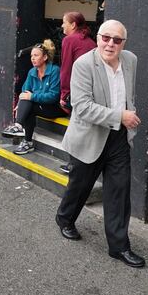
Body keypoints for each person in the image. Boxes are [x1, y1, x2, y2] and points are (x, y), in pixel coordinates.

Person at [55, 20, 145, 268]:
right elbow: (82, 107)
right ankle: (64, 218)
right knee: (80, 186)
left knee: (119, 191)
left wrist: (128, 114)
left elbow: (129, 95)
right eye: (106, 38)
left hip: (119, 138)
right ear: (97, 38)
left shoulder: (131, 60)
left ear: (123, 43)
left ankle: (119, 247)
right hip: (89, 136)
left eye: (117, 40)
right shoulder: (83, 64)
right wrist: (120, 116)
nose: (110, 44)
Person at [2, 39, 66, 155]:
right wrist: (21, 105)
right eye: (31, 55)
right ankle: (22, 133)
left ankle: (24, 136)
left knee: (29, 101)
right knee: (27, 102)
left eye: (36, 55)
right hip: (40, 105)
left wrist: (31, 97)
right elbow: (24, 92)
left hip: (55, 108)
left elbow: (53, 96)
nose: (32, 58)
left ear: (45, 57)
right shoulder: (32, 72)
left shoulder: (55, 71)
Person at [58, 11, 96, 174]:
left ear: (73, 25)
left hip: (77, 91)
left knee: (76, 129)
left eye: (64, 22)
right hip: (92, 91)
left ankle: (74, 165)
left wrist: (64, 93)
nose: (62, 25)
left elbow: (66, 68)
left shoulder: (69, 40)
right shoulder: (90, 42)